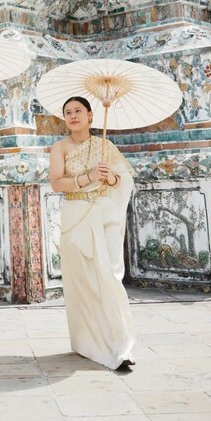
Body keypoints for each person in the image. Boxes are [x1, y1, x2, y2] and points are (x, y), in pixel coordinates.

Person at [49, 96, 135, 370]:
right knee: (82, 280)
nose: (73, 116)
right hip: (75, 215)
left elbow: (121, 180)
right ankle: (89, 343)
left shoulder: (105, 146)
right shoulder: (59, 148)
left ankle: (119, 344)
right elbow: (57, 184)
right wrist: (87, 177)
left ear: (90, 116)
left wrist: (108, 177)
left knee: (108, 276)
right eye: (68, 112)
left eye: (78, 111)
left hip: (104, 214)